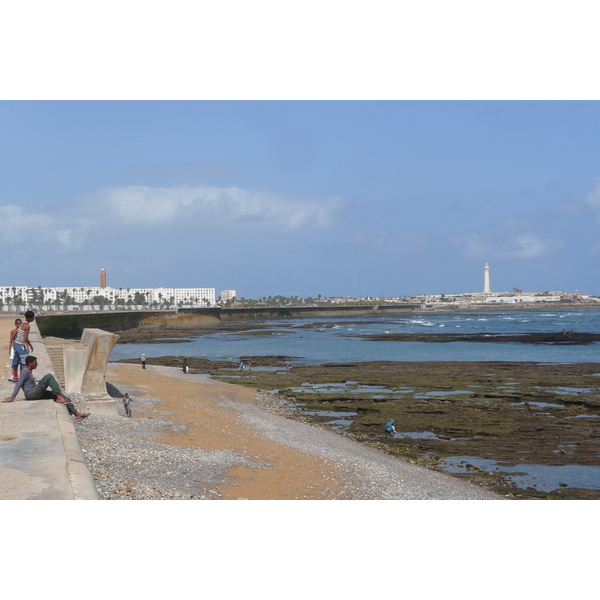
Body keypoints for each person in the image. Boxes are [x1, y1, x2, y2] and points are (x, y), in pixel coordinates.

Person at [3, 355, 90, 420]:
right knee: (48, 376)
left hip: (34, 392)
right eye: (35, 363)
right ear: (30, 363)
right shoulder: (25, 371)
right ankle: (59, 397)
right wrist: (12, 398)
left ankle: (76, 413)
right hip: (31, 394)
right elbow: (18, 384)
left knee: (60, 395)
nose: (37, 364)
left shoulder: (29, 371)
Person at [11, 310, 35, 376]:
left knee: (16, 360)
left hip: (16, 344)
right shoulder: (27, 326)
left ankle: (15, 376)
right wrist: (30, 345)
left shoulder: (22, 323)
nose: (33, 319)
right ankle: (24, 377)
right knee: (25, 361)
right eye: (33, 317)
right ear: (29, 318)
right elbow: (26, 338)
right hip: (20, 344)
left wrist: (10, 341)